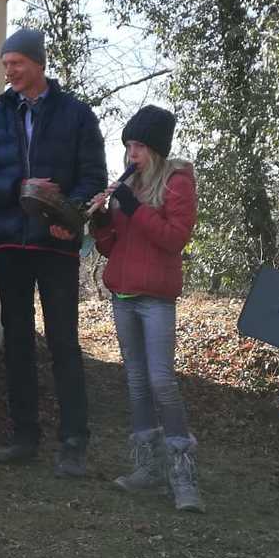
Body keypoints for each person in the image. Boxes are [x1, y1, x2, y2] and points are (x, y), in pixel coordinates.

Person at [0, 26, 107, 477]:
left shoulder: (77, 114)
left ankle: (73, 443)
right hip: (7, 245)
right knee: (18, 341)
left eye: (16, 64)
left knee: (64, 342)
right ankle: (24, 436)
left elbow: (93, 176)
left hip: (56, 246)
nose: (9, 72)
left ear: (38, 63)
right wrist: (17, 187)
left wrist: (69, 216)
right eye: (5, 65)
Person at [89, 105, 201, 510]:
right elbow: (113, 248)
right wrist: (101, 222)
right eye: (128, 146)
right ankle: (147, 467)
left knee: (161, 381)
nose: (131, 154)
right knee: (136, 382)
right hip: (123, 295)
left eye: (138, 146)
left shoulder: (177, 182)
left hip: (156, 297)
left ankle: (183, 473)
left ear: (155, 149)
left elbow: (174, 238)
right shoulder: (128, 186)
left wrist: (133, 209)